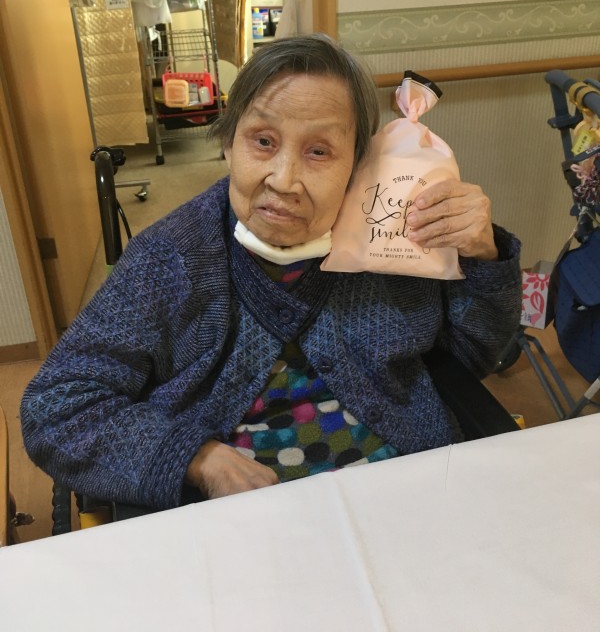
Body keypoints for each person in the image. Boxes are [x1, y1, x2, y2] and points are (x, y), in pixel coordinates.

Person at [20, 34, 522, 511]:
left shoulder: (393, 241)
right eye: (262, 141)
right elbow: (55, 408)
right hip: (238, 518)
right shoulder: (172, 256)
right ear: (227, 143)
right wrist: (195, 457)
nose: (284, 180)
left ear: (357, 165)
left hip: (406, 490)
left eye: (319, 151)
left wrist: (483, 256)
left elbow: (473, 358)